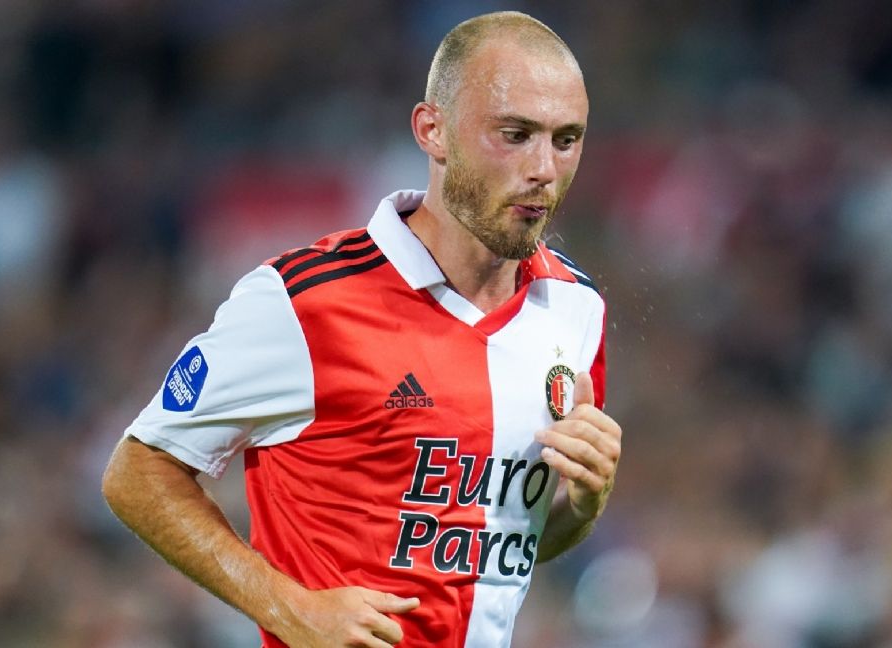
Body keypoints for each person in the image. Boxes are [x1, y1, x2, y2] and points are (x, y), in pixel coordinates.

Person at [101, 10, 621, 647]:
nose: (543, 167)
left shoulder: (574, 308)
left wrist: (585, 504)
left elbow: (506, 545)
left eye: (566, 140)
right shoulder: (303, 301)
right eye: (515, 135)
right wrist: (290, 608)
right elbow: (138, 471)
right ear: (433, 131)